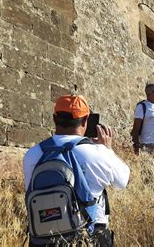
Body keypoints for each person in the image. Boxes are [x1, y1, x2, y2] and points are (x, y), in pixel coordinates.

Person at [23, 95, 130, 246]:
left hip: (43, 238)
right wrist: (108, 149)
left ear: (54, 119)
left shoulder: (32, 154)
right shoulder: (98, 153)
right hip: (87, 237)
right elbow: (122, 182)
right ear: (85, 120)